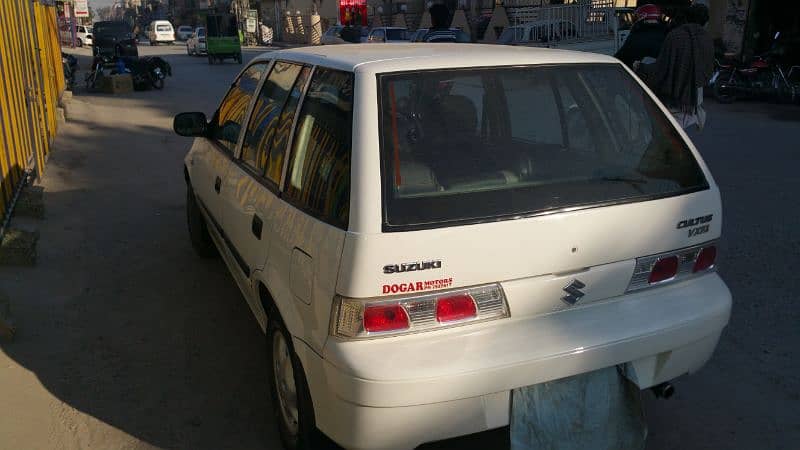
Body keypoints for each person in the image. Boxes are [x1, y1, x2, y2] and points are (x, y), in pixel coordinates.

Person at [637, 3, 714, 130]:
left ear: (687, 18)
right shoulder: (706, 39)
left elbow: (661, 70)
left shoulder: (675, 36)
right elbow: (708, 71)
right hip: (695, 101)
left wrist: (641, 68)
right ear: (705, 21)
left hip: (673, 101)